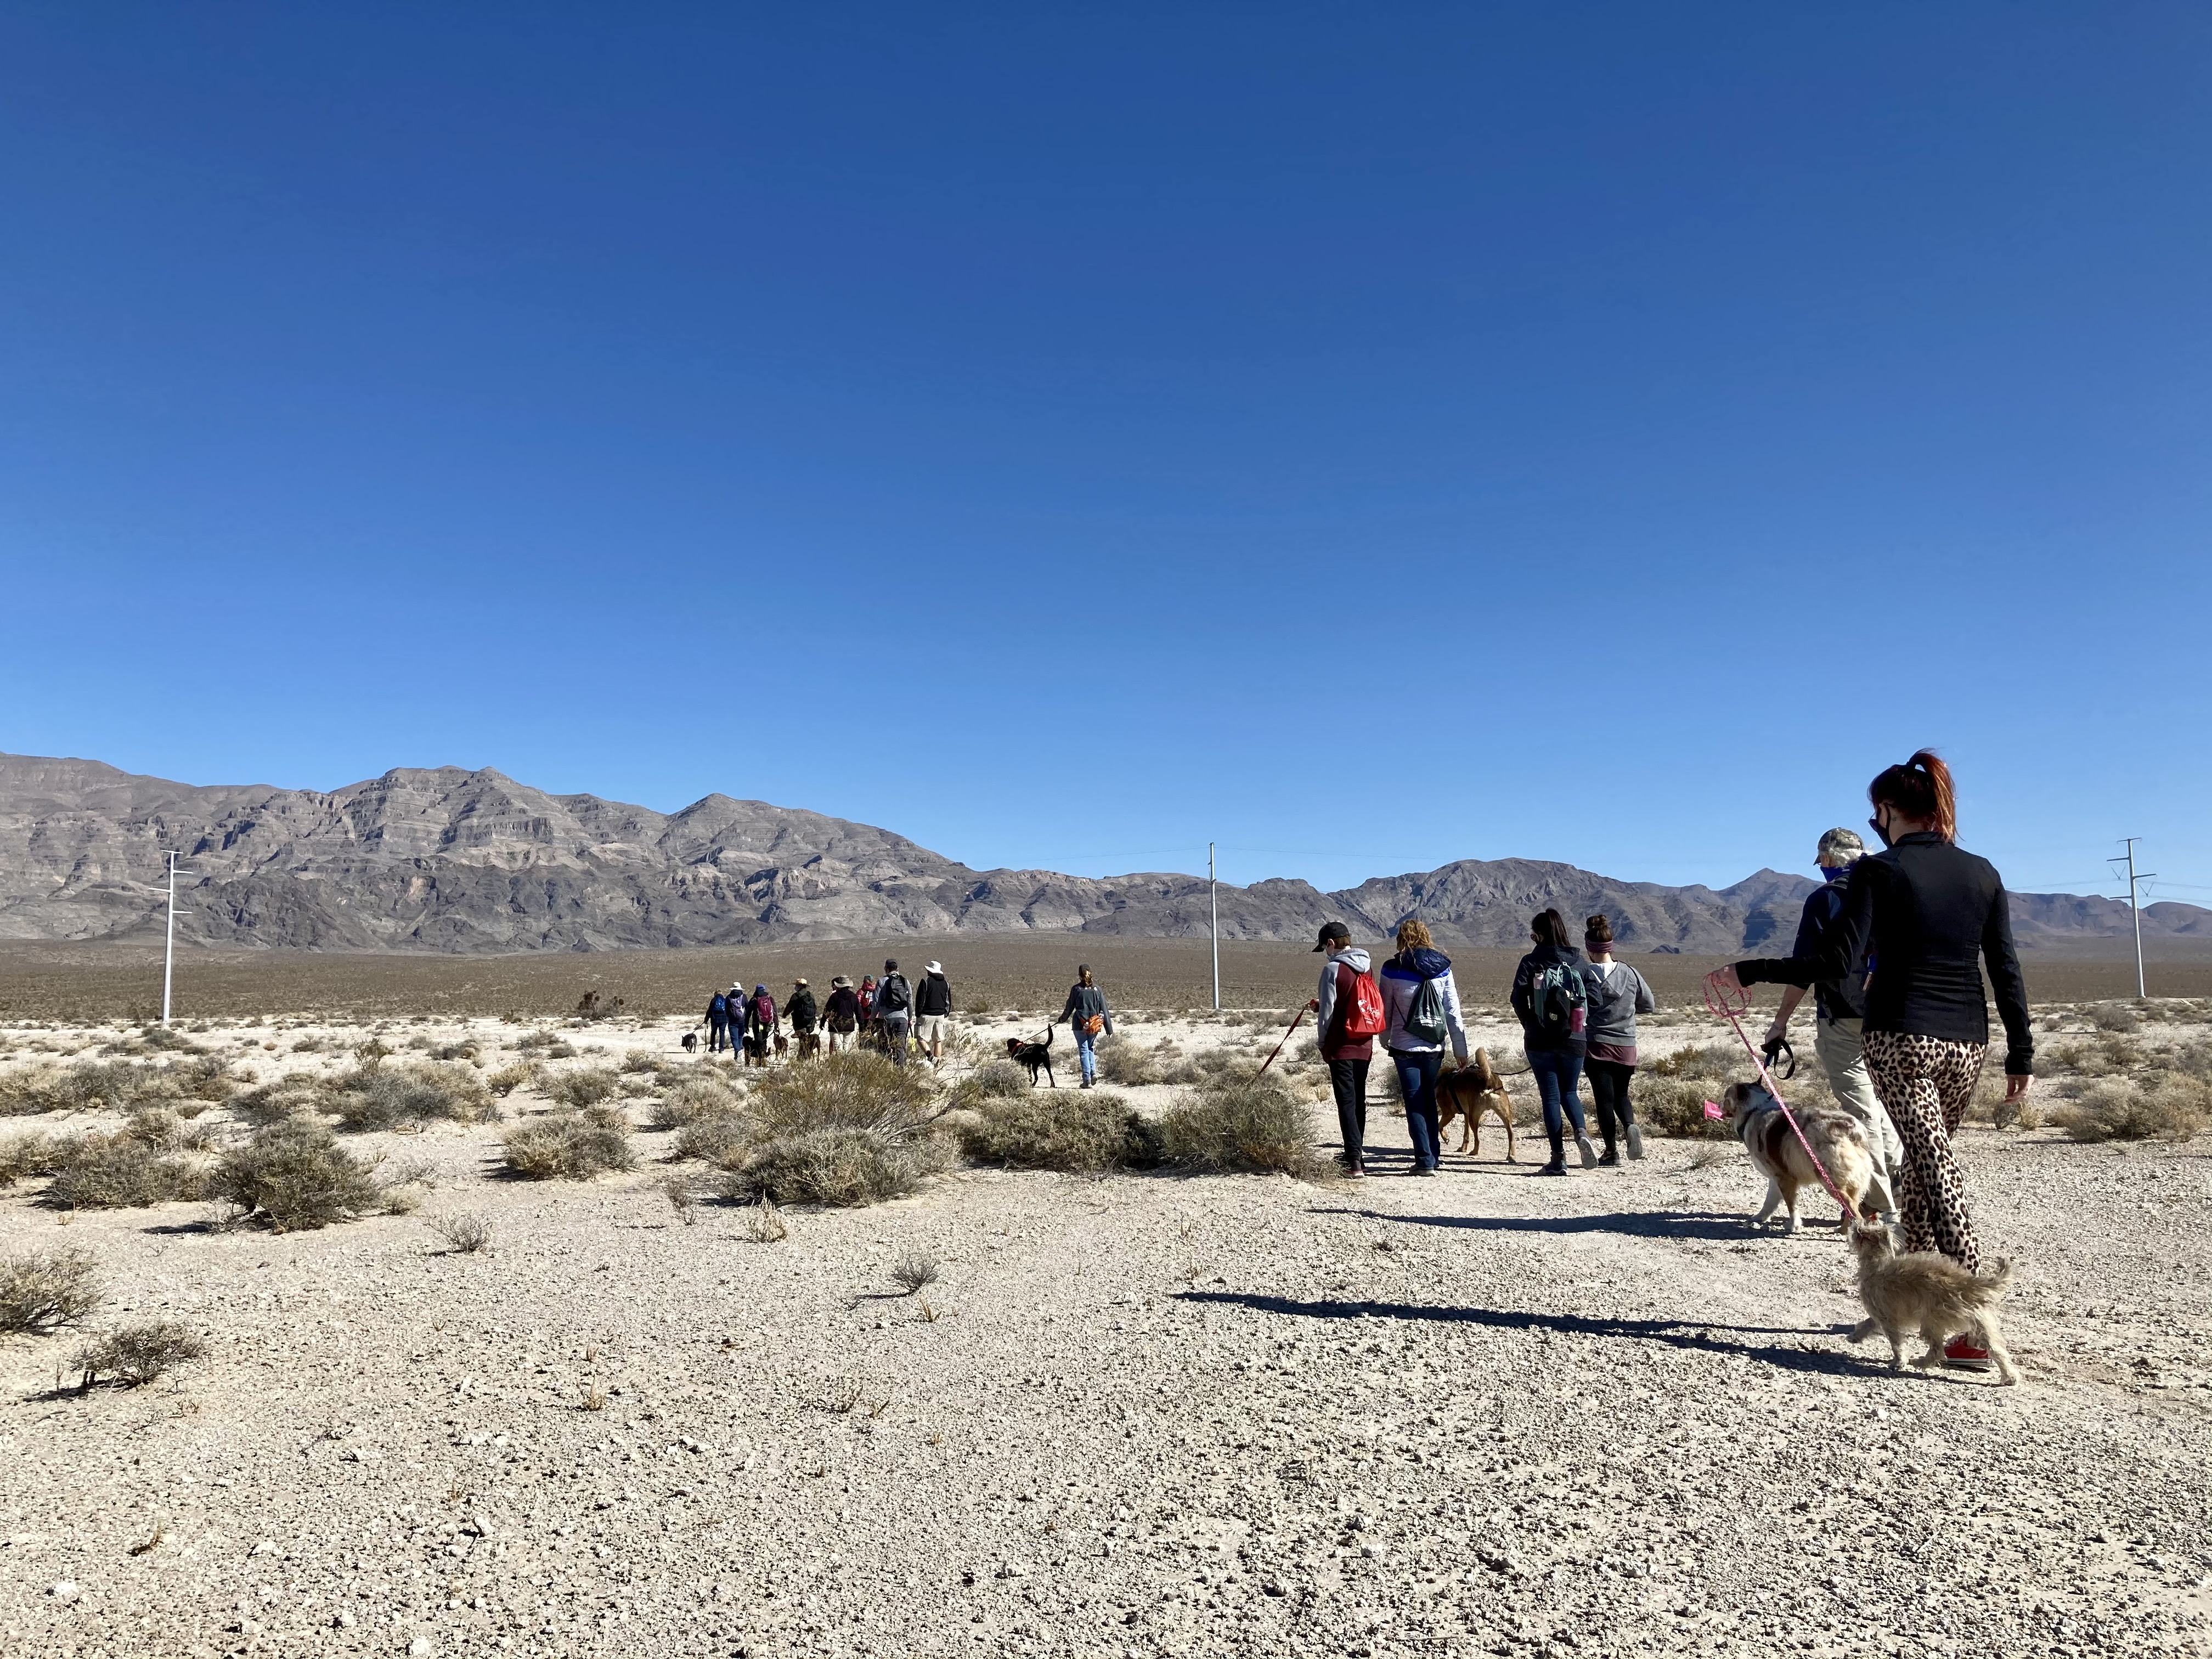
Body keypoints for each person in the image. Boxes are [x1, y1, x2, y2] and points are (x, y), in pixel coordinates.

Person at [1717, 753, 2032, 1364]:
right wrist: (2021, 1048)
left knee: (1936, 1168)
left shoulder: (1878, 874)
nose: (1877, 822)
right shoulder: (1983, 872)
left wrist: (1750, 969)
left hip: (1899, 1035)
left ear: (1889, 812)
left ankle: (1968, 1316)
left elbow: (1836, 964)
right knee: (1917, 1168)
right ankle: (1919, 1309)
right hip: (1967, 1040)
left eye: (1877, 813)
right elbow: (2006, 967)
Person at [1760, 828, 1906, 1221]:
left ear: (1828, 859)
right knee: (1885, 1105)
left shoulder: (1825, 899)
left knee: (1861, 1112)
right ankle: (1903, 1189)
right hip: (1897, 1015)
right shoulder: (1896, 889)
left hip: (1845, 1014)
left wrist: (1780, 1022)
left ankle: (1879, 1206)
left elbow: (1803, 968)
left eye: (1822, 861)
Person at [1377, 919, 1470, 1176]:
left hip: (1404, 1047)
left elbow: (1385, 1009)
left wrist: (1385, 1039)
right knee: (1428, 1098)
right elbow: (1453, 1013)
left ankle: (1424, 1159)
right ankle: (1433, 1154)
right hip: (1434, 1047)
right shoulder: (1443, 968)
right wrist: (1461, 1051)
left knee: (1414, 1100)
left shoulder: (1392, 968)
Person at [1511, 910, 1599, 1175]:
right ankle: (1581, 1132)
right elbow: (1595, 1000)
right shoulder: (1580, 963)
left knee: (1550, 1096)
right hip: (1574, 1038)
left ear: (1538, 935)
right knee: (1569, 1092)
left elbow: (1517, 999)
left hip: (1539, 1040)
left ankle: (1557, 1158)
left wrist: (1530, 1024)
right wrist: (1579, 1022)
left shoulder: (1530, 961)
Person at [1580, 915, 1655, 1166]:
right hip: (1626, 1044)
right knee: (1622, 1095)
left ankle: (1611, 1151)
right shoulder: (1630, 973)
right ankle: (1631, 1125)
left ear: (1590, 949)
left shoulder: (1585, 975)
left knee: (1604, 1099)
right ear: (1611, 947)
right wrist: (1627, 1012)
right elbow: (1649, 1004)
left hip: (1597, 1045)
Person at [1309, 922, 1376, 1176]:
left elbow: (1328, 1013)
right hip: (1364, 1041)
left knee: (1346, 1101)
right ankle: (1356, 1154)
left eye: (1324, 948)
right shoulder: (1367, 967)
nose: (1325, 953)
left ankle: (1354, 1161)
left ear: (1330, 944)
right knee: (1359, 1099)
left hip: (1341, 1044)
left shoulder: (1332, 969)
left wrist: (1322, 1042)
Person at [1057, 965, 1114, 1087]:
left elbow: (1069, 1007)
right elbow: (1105, 1009)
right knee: (1090, 1048)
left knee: (1083, 1050)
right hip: (1095, 1025)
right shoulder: (1097, 990)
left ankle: (1087, 1079)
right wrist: (1109, 1028)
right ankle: (1093, 1073)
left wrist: (1062, 1019)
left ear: (1079, 975)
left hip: (1080, 1025)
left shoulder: (1076, 990)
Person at [913, 961, 953, 1066]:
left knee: (920, 1037)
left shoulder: (926, 981)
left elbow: (920, 999)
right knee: (938, 1039)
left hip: (927, 1014)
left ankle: (931, 1057)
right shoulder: (946, 984)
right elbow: (948, 1000)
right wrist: (946, 1013)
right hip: (940, 1015)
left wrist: (918, 1013)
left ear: (930, 971)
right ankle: (937, 1062)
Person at [874, 959, 913, 1065]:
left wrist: (872, 1019)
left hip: (886, 1019)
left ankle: (886, 1069)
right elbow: (910, 1002)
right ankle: (901, 1072)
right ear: (898, 969)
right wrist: (910, 1018)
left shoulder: (881, 982)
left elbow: (876, 1003)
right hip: (902, 1019)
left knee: (884, 1047)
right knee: (900, 1047)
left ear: (886, 969)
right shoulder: (906, 982)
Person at [823, 976, 862, 1053]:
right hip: (849, 1025)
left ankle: (839, 1063)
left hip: (836, 1025)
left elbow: (827, 1010)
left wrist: (823, 1022)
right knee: (846, 1048)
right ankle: (845, 1063)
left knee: (837, 1048)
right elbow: (859, 1012)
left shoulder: (834, 996)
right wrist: (862, 1024)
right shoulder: (853, 997)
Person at [743, 983, 778, 1067]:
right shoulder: (770, 999)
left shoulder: (754, 999)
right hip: (767, 1023)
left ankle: (760, 1060)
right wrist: (777, 1025)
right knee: (764, 1041)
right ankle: (762, 1058)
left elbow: (748, 1013)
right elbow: (775, 1012)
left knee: (758, 1041)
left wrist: (746, 1025)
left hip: (758, 1024)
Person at [787, 978, 820, 1059]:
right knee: (805, 1040)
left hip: (800, 1024)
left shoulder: (796, 996)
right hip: (810, 1023)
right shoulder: (810, 995)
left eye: (797, 985)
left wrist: (784, 1015)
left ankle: (805, 1058)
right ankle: (803, 1056)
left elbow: (789, 1007)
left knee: (802, 1041)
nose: (796, 987)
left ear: (800, 986)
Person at [703, 986, 732, 1054]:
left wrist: (706, 1019)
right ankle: (721, 1048)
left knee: (713, 1033)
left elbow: (710, 1011)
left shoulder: (713, 1000)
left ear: (715, 994)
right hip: (724, 1020)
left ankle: (713, 1047)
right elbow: (728, 1010)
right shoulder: (725, 1000)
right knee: (722, 1033)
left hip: (715, 1019)